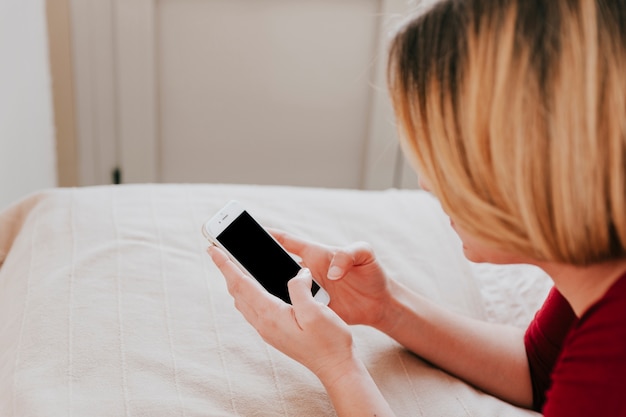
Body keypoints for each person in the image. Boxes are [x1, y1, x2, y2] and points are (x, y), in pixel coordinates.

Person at [208, 0, 626, 415]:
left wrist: (338, 367)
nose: (426, 182)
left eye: (445, 156)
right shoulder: (597, 276)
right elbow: (540, 371)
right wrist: (386, 308)